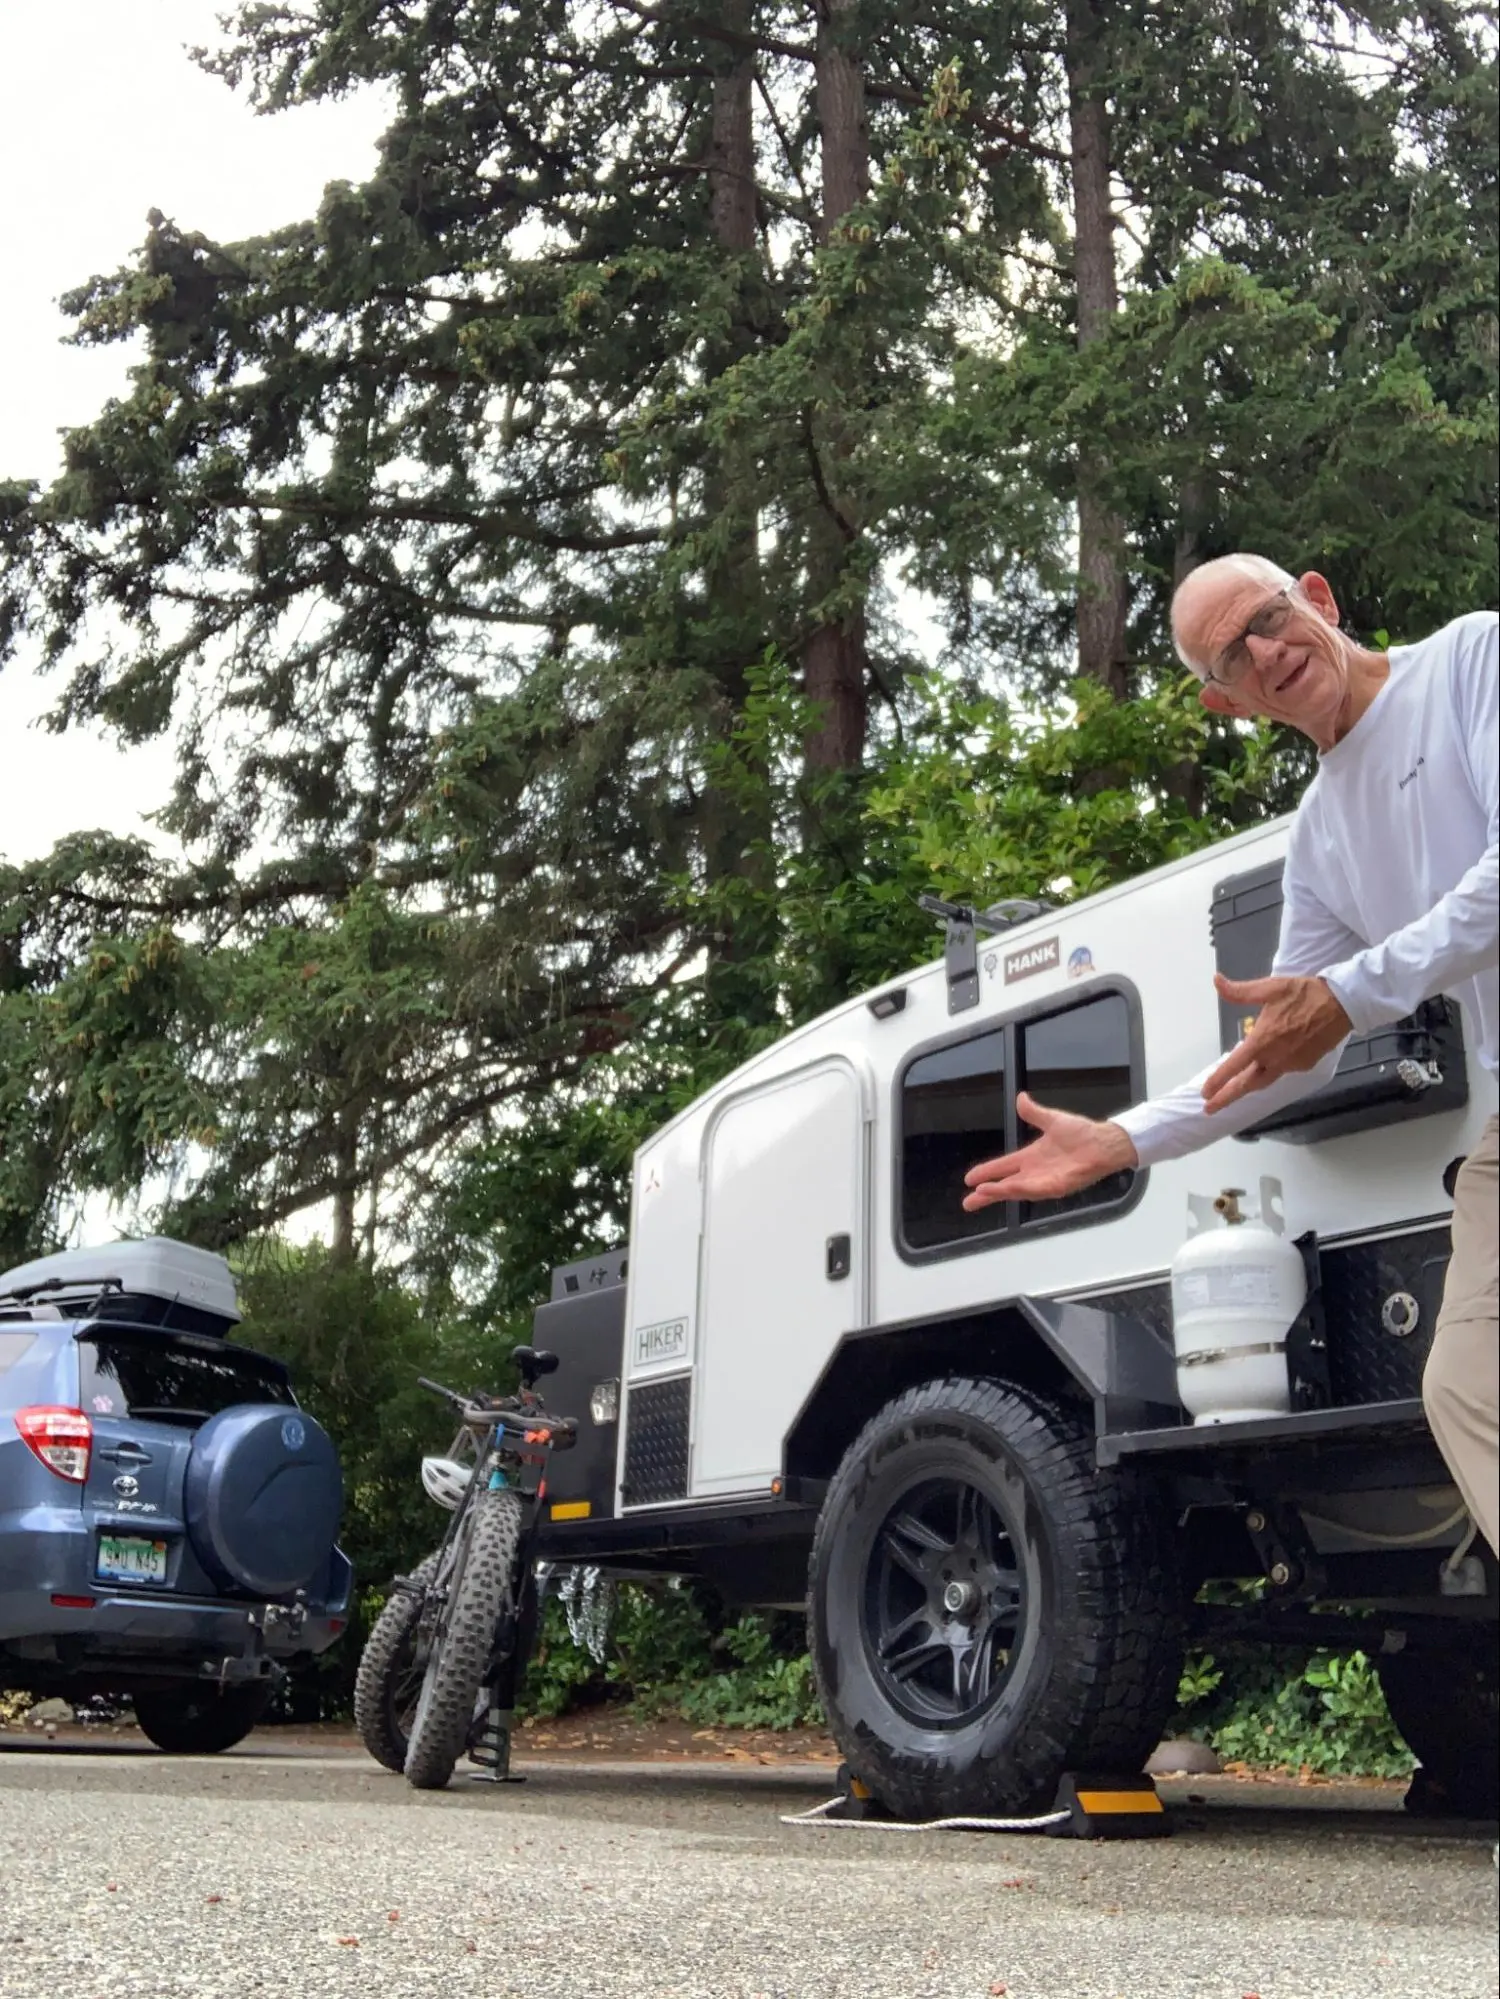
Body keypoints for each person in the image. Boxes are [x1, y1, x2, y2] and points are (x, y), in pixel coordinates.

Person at [962, 556, 1498, 1556]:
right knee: (1467, 1380)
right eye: (1233, 654)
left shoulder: (1473, 659)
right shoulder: (1323, 842)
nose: (1268, 651)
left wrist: (1346, 992)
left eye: (1269, 617)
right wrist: (1123, 1139)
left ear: (1319, 599)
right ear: (1229, 699)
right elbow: (1278, 1061)